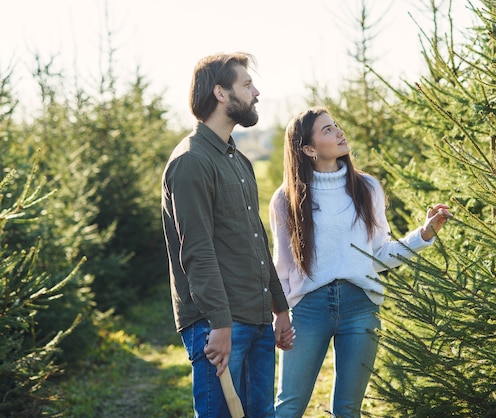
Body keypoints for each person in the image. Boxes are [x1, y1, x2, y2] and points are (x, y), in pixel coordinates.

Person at [269, 106, 452, 417]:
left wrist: (424, 234)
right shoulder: (286, 198)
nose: (339, 132)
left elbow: (378, 254)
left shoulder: (367, 188)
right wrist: (280, 314)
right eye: (327, 130)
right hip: (308, 310)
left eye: (336, 125)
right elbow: (282, 267)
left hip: (361, 307)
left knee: (348, 409)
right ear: (309, 148)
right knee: (289, 407)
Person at [161, 52, 294, 418]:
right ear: (221, 93)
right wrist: (219, 324)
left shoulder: (238, 160)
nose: (256, 93)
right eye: (247, 85)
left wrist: (279, 308)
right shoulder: (191, 161)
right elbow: (197, 251)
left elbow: (256, 242)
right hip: (217, 325)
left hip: (255, 319)